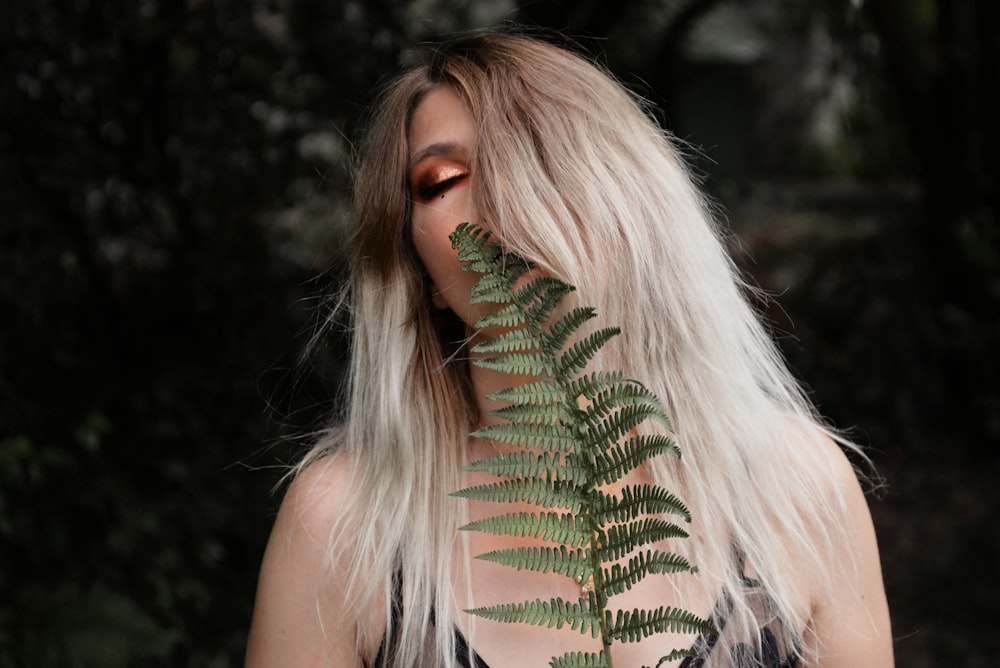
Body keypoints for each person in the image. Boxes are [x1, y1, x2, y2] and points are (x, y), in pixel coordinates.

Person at [245, 31, 893, 668]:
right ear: (420, 272)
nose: (500, 198)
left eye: (534, 153)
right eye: (443, 180)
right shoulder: (344, 525)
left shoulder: (798, 489)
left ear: (629, 199)